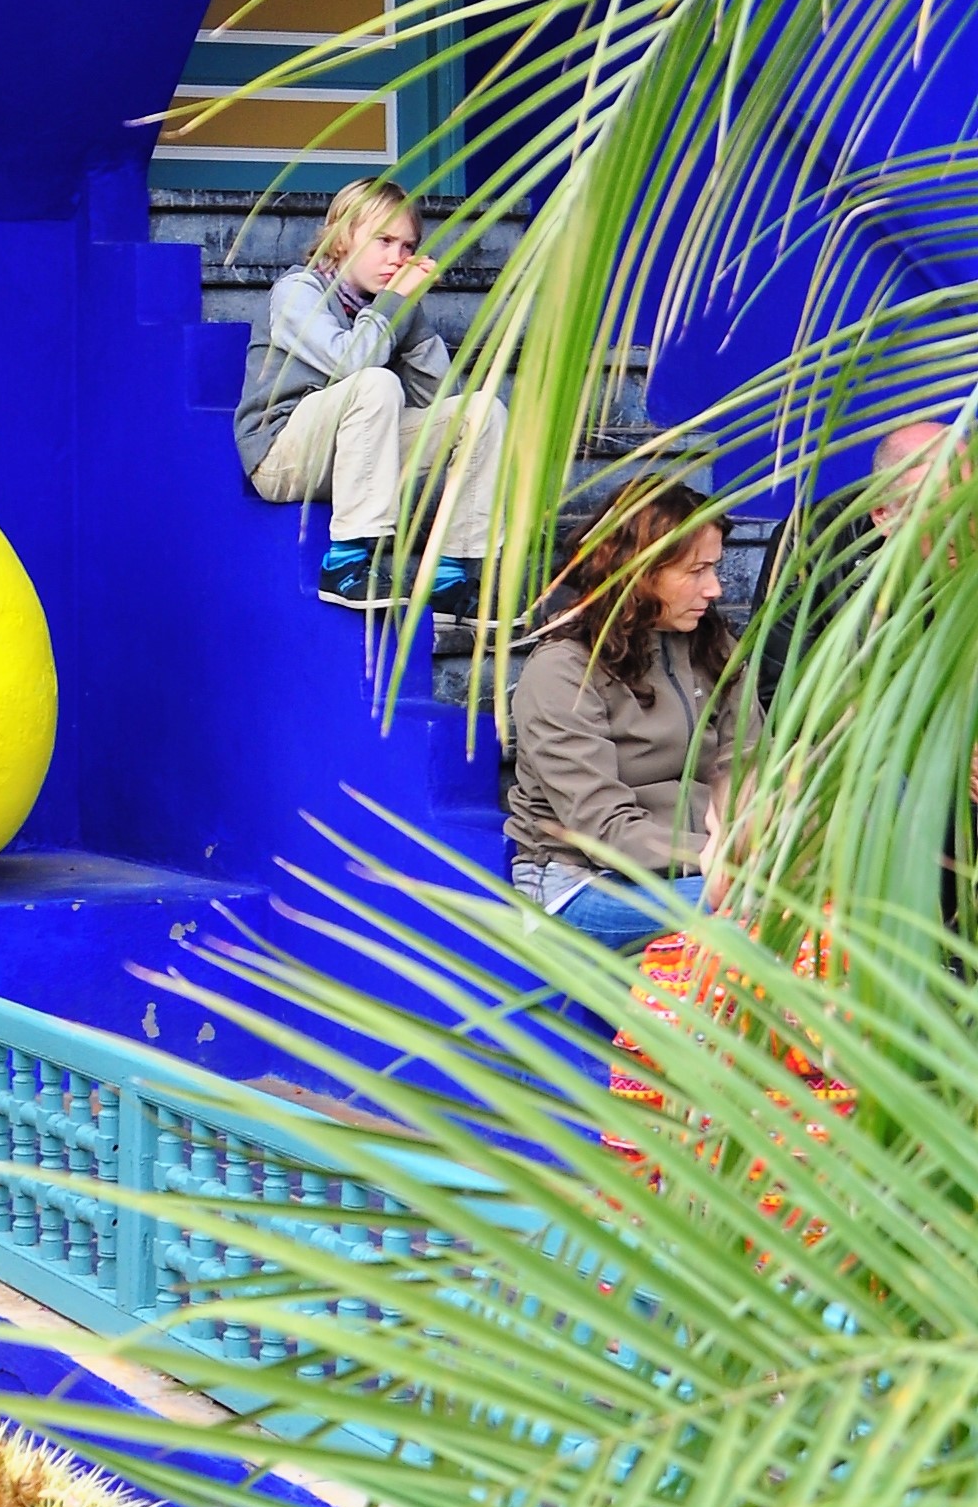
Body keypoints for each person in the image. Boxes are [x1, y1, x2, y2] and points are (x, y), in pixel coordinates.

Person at [236, 176, 504, 610]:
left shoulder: (388, 305)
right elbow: (351, 364)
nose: (397, 258)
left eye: (407, 246)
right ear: (342, 237)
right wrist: (393, 306)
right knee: (376, 382)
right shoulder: (298, 290)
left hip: (357, 455)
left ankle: (450, 576)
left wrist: (409, 313)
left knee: (480, 412)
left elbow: (441, 399)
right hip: (282, 457)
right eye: (384, 241)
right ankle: (345, 563)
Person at [507, 479, 746, 949]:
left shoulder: (714, 648)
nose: (715, 589)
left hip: (707, 865)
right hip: (581, 883)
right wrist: (725, 857)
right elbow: (602, 828)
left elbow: (746, 761)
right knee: (763, 908)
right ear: (639, 572)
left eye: (715, 568)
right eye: (696, 570)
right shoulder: (563, 670)